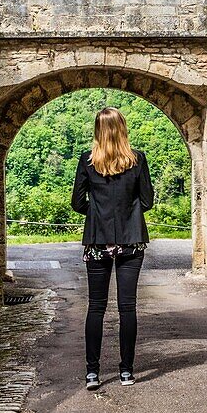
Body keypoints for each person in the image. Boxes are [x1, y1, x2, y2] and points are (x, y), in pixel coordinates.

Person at [71, 107, 155, 390]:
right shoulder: (138, 160)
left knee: (96, 307)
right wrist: (127, 215)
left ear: (98, 130)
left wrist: (97, 214)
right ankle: (126, 372)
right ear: (123, 129)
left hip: (97, 239)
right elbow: (147, 200)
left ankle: (92, 373)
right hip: (131, 240)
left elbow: (77, 202)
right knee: (127, 307)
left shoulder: (87, 160)